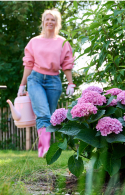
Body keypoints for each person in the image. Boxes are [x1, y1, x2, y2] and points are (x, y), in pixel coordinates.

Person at [17, 9, 75, 158]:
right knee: (42, 113)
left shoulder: (62, 42)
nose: (50, 22)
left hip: (54, 81)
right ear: (43, 22)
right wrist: (22, 85)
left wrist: (70, 83)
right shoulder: (34, 42)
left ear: (57, 22)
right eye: (47, 19)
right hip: (35, 79)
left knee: (49, 116)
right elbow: (28, 64)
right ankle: (46, 149)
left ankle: (42, 148)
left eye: (53, 19)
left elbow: (67, 64)